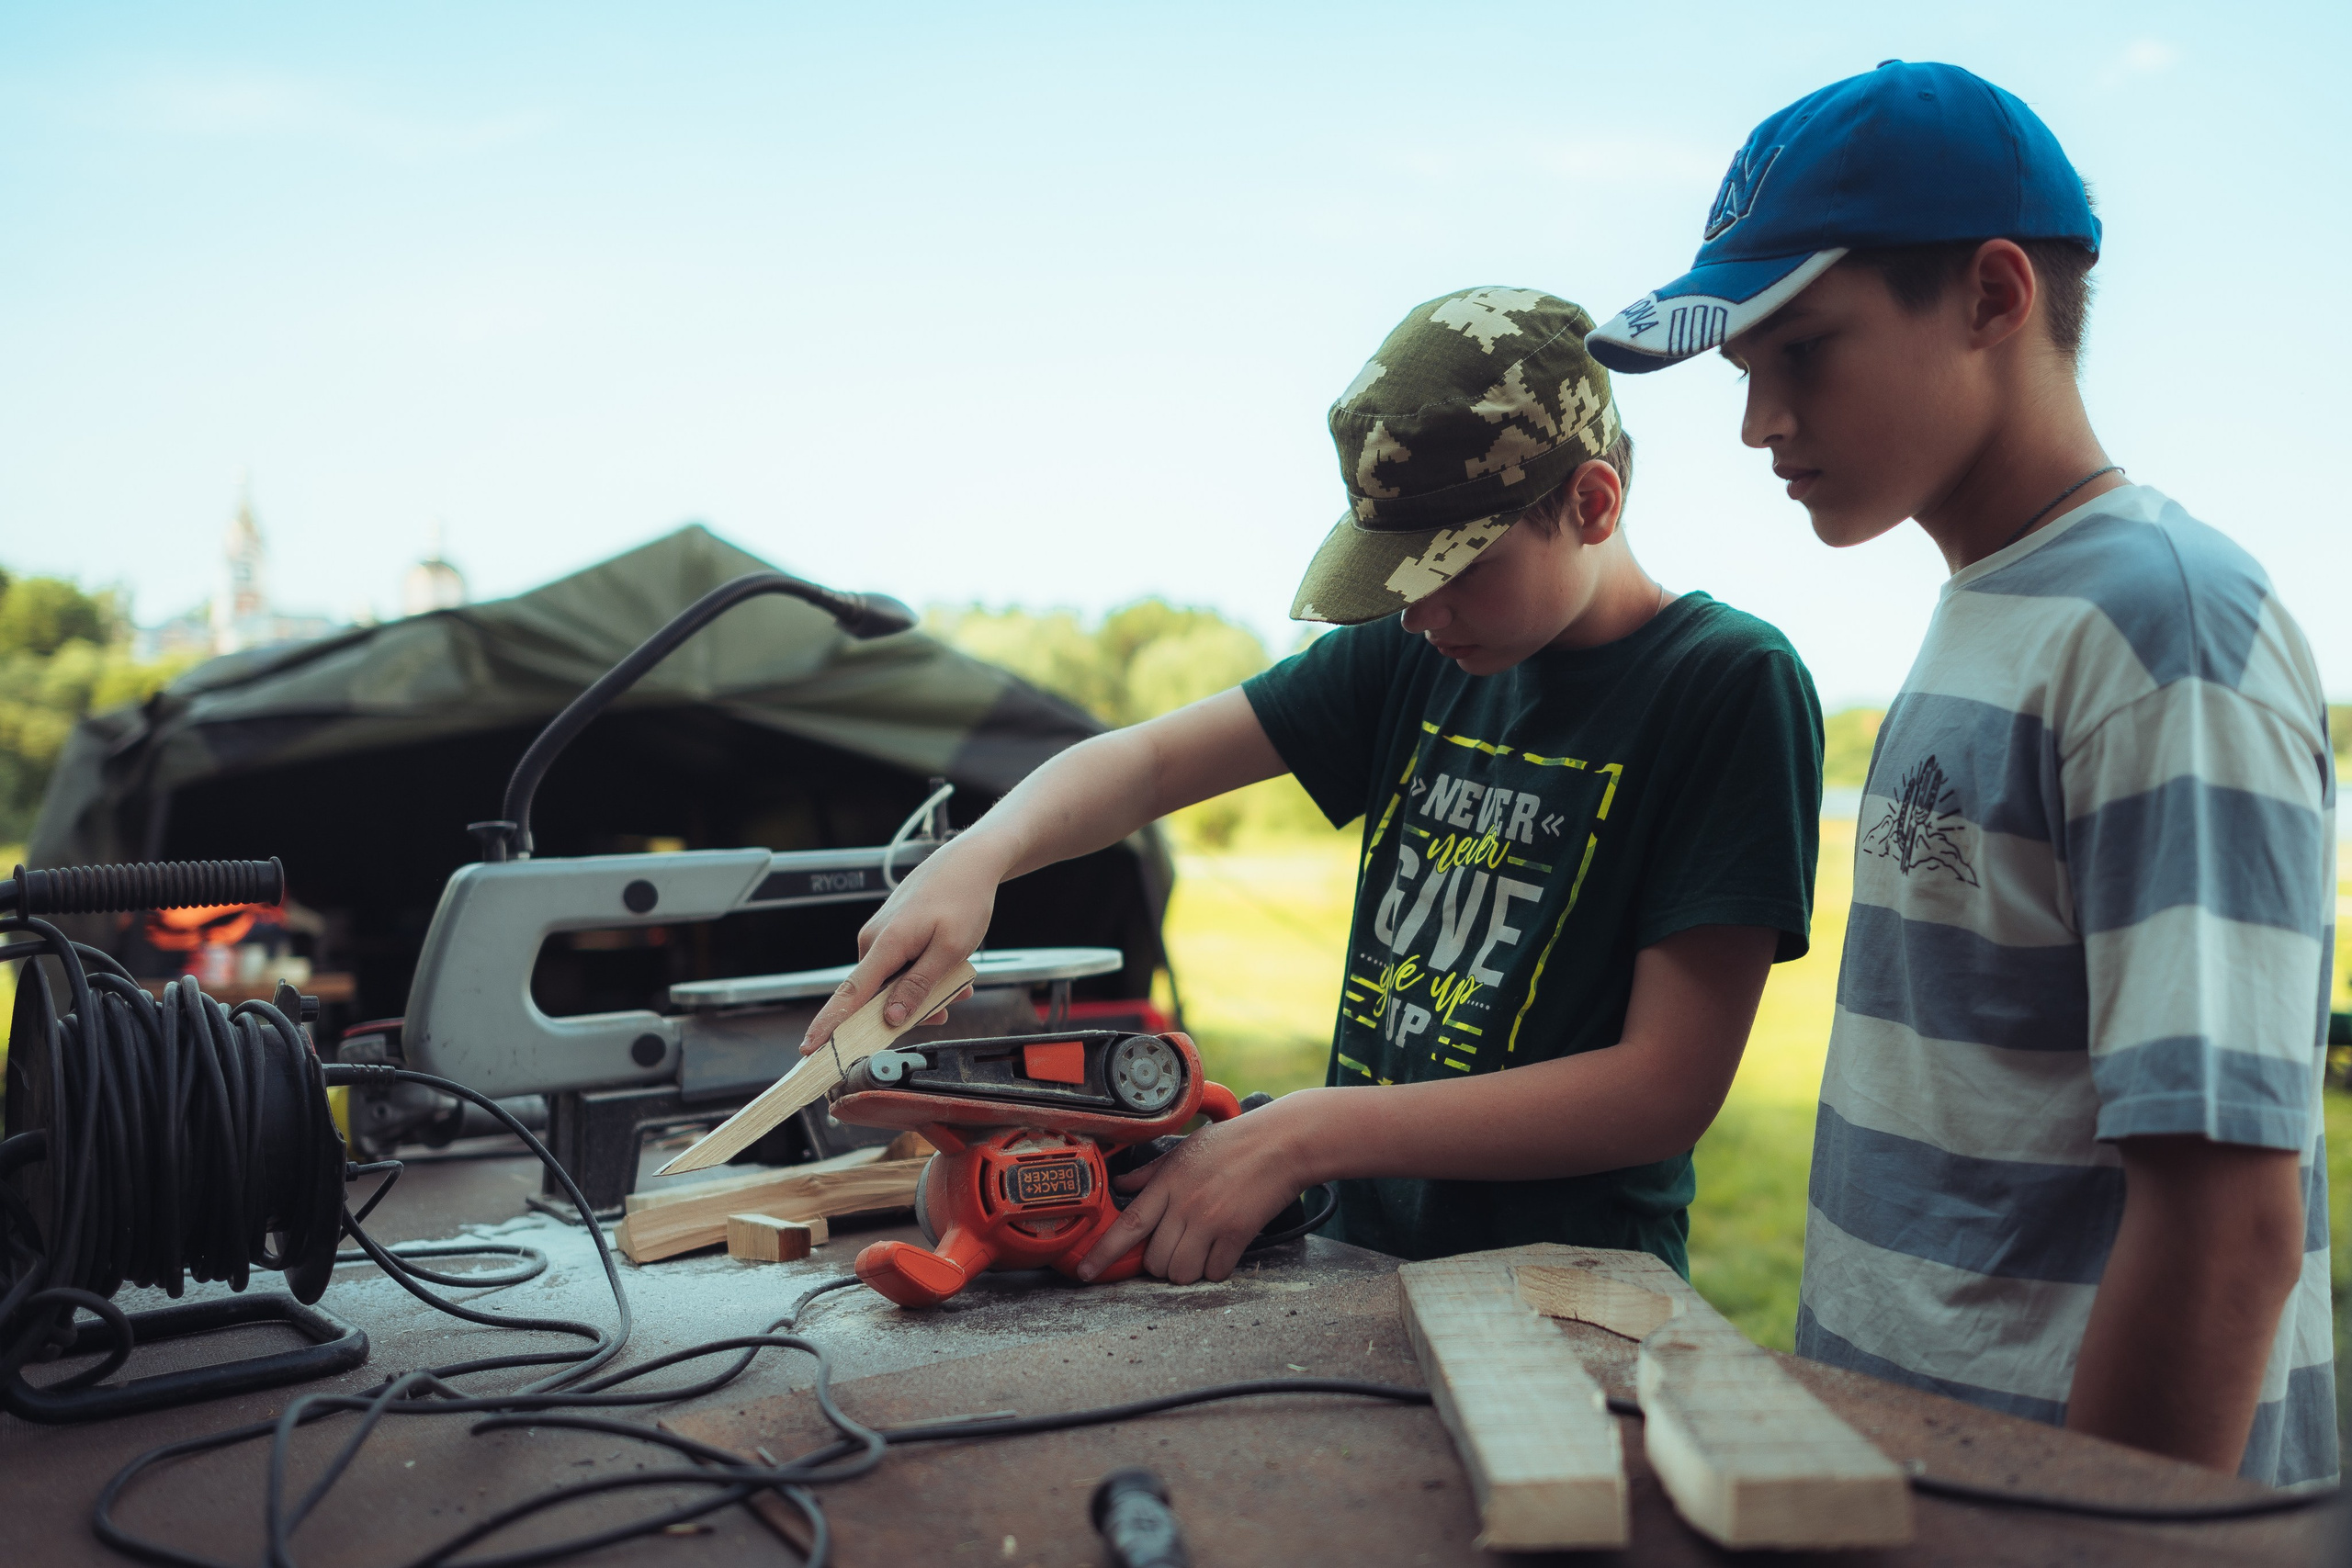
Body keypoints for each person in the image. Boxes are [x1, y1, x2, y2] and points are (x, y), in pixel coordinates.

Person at [1587, 61, 2335, 1486]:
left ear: (1995, 297)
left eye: (1801, 350)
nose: (1758, 425)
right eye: (1746, 371)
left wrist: (2080, 1530)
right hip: (1927, 1483)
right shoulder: (1994, 602)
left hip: (2062, 1511)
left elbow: (2229, 1221)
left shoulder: (2163, 629)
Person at [802, 287, 1823, 1288]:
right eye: (1395, 578)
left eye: (1452, 568)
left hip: (1569, 1289)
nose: (1417, 613)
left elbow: (1660, 1091)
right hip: (1357, 1260)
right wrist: (980, 854)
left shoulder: (1724, 683)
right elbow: (1151, 762)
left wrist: (1300, 1135)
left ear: (1591, 505)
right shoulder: (1423, 653)